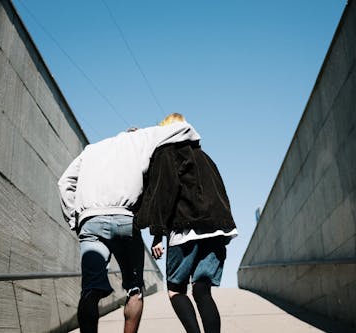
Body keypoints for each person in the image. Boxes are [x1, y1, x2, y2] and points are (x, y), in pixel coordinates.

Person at [58, 120, 200, 333]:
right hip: (125, 219)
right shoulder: (140, 138)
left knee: (90, 289)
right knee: (134, 290)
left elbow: (64, 182)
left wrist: (74, 218)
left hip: (90, 221)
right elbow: (185, 128)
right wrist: (195, 146)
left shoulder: (91, 150)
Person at [134, 113, 238, 333]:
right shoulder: (205, 156)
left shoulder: (167, 153)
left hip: (186, 229)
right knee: (202, 290)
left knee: (176, 290)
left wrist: (157, 234)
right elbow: (221, 192)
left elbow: (165, 193)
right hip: (216, 228)